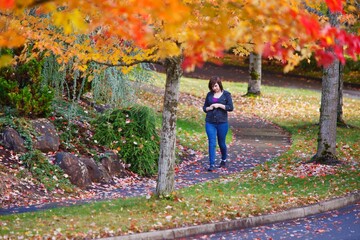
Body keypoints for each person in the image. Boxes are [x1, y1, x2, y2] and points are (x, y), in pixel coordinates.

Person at [202, 76, 234, 172]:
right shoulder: (209, 95)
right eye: (212, 86)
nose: (214, 88)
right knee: (212, 143)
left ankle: (223, 159)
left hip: (222, 122)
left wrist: (219, 105)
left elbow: (230, 107)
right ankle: (211, 164)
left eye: (215, 86)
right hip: (210, 122)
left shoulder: (226, 95)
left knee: (221, 143)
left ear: (219, 84)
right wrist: (208, 108)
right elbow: (204, 107)